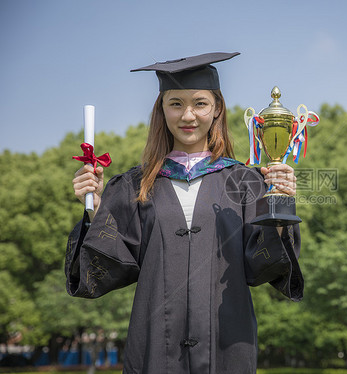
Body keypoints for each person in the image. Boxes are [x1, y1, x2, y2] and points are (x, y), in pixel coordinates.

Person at [66, 52, 303, 373]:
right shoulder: (133, 185)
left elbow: (263, 267)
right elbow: (106, 267)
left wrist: (278, 204)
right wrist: (95, 205)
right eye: (175, 103)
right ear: (161, 110)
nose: (188, 115)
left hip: (227, 344)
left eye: (200, 103)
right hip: (155, 346)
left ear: (217, 108)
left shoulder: (246, 181)